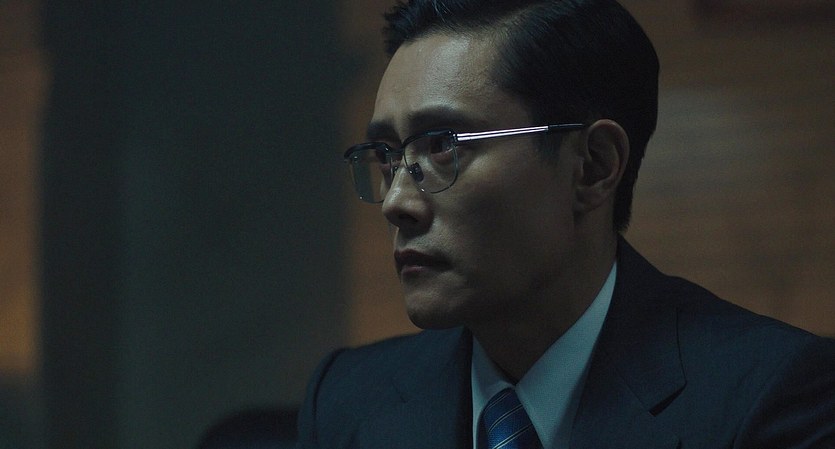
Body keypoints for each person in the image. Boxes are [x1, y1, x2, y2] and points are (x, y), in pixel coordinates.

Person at [296, 0, 835, 447]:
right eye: (388, 155)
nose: (395, 201)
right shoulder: (348, 400)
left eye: (443, 146)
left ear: (593, 166)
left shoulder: (770, 396)